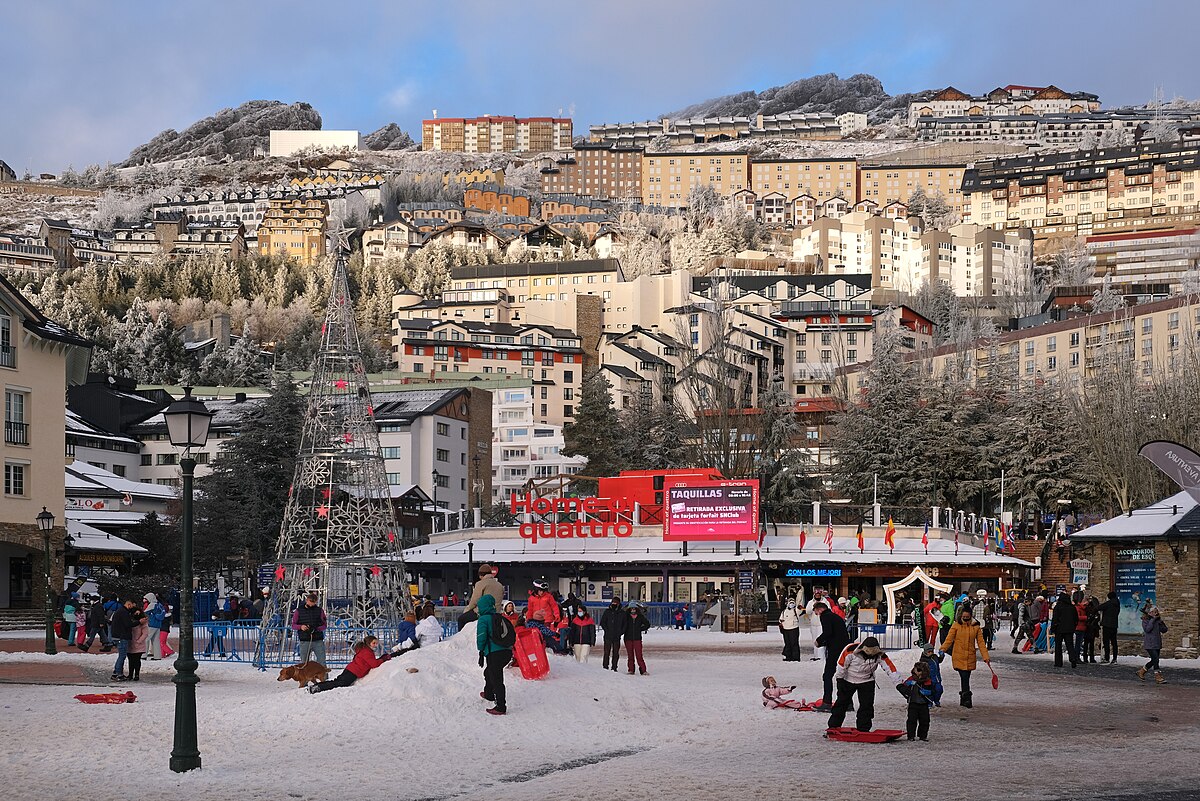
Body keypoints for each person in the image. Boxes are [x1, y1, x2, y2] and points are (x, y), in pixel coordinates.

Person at [826, 636, 901, 732]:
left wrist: (899, 683)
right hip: (848, 680)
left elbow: (890, 669)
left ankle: (863, 728)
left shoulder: (880, 655)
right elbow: (841, 665)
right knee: (841, 704)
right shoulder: (850, 650)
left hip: (867, 681)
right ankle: (833, 726)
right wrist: (840, 681)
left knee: (867, 706)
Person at [308, 635, 405, 694]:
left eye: (376, 643)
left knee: (337, 681)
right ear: (368, 643)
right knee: (340, 683)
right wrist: (383, 659)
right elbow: (374, 664)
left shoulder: (365, 650)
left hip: (351, 669)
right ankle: (319, 688)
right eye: (374, 643)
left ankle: (318, 686)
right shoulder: (367, 652)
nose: (376, 645)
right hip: (354, 672)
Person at [938, 608, 991, 708]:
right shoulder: (956, 625)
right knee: (964, 676)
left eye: (967, 617)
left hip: (970, 656)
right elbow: (949, 640)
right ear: (960, 617)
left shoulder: (976, 627)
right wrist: (942, 650)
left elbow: (981, 643)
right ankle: (966, 698)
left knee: (965, 677)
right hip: (959, 655)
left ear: (971, 616)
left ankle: (964, 697)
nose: (965, 619)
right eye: (964, 617)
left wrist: (986, 656)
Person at [474, 594, 511, 715]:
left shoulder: (484, 619)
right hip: (506, 651)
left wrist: (480, 650)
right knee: (489, 672)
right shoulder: (499, 617)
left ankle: (501, 707)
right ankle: (489, 694)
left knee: (496, 678)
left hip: (494, 653)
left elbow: (481, 637)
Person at [814, 600, 850, 710]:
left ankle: (827, 702)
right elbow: (836, 633)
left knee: (827, 675)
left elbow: (828, 632)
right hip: (844, 649)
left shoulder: (825, 616)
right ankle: (848, 703)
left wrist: (819, 641)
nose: (816, 614)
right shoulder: (835, 616)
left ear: (820, 609)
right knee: (844, 675)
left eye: (816, 612)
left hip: (835, 650)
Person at [897, 661, 936, 741]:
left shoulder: (928, 681)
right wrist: (906, 686)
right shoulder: (911, 679)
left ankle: (923, 736)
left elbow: (934, 690)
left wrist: (929, 692)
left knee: (925, 721)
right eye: (915, 669)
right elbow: (903, 688)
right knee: (911, 720)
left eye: (918, 669)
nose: (915, 671)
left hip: (924, 704)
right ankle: (911, 736)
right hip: (913, 703)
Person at [526, 579, 565, 653]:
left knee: (546, 634)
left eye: (543, 590)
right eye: (540, 590)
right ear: (536, 590)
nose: (542, 592)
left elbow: (554, 606)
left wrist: (557, 615)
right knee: (538, 635)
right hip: (535, 620)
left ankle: (551, 649)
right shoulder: (531, 598)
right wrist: (529, 619)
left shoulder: (548, 596)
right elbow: (530, 609)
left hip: (547, 619)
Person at [291, 592, 328, 666]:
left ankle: (324, 677)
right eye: (310, 601)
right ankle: (305, 677)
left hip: (318, 640)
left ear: (316, 602)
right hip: (304, 640)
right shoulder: (298, 611)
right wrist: (301, 627)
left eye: (313, 602)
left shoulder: (320, 611)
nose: (311, 604)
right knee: (304, 663)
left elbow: (324, 625)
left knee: (322, 661)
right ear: (307, 600)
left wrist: (317, 629)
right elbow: (293, 625)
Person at [1138, 605, 1168, 684]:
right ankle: (1158, 676)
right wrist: (1153, 620)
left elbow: (1164, 630)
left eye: (1156, 612)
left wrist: (1161, 622)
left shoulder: (1158, 620)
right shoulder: (1145, 620)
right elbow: (1147, 629)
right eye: (1153, 612)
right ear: (1149, 613)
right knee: (1155, 659)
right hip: (1150, 643)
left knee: (1154, 660)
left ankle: (1142, 671)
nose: (1155, 613)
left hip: (1157, 642)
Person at [109, 598, 136, 682]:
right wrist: (138, 622)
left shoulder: (120, 611)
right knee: (122, 656)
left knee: (121, 655)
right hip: (122, 636)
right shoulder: (124, 612)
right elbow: (128, 624)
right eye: (132, 606)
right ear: (129, 604)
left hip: (117, 635)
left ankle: (116, 672)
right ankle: (118, 674)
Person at [1051, 593, 1079, 669]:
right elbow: (1076, 619)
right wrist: (1073, 626)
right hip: (1069, 629)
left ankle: (1058, 662)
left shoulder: (1058, 607)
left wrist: (1053, 628)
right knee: (1070, 646)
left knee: (1058, 646)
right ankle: (1073, 659)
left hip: (1059, 629)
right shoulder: (1072, 607)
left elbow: (1055, 618)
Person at [624, 602, 651, 675]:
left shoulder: (640, 617)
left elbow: (647, 624)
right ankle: (631, 670)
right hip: (628, 638)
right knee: (630, 656)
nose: (633, 610)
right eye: (631, 608)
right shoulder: (626, 617)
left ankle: (643, 670)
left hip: (637, 638)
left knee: (639, 655)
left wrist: (640, 629)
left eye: (634, 608)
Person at [600, 597, 625, 672]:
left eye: (616, 602)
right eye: (613, 602)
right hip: (608, 635)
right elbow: (603, 622)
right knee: (606, 652)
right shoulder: (607, 612)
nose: (614, 604)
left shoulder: (622, 613)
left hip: (617, 636)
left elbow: (625, 624)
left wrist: (620, 632)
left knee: (616, 652)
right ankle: (605, 666)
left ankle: (614, 667)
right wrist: (606, 630)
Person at [1096, 591, 1121, 663]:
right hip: (1114, 625)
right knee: (1114, 642)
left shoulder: (1109, 603)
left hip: (1107, 625)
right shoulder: (1117, 603)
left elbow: (1098, 607)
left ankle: (1107, 658)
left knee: (1106, 642)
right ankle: (1115, 658)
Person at [805, 588, 827, 660]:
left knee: (821, 639)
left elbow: (829, 609)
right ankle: (816, 656)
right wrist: (814, 606)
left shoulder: (825, 601)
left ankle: (821, 656)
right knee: (815, 640)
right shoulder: (811, 602)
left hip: (822, 624)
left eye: (819, 594)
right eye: (816, 594)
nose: (817, 595)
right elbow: (807, 611)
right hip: (814, 624)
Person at [128, 610, 149, 681]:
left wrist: (139, 641)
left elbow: (145, 634)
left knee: (136, 660)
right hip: (130, 644)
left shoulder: (143, 624)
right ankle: (130, 674)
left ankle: (137, 675)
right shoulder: (131, 622)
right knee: (130, 660)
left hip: (138, 645)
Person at [143, 592, 165, 660]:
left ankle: (143, 655)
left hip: (152, 624)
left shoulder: (152, 605)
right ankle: (157, 656)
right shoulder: (160, 605)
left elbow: (145, 612)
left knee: (146, 639)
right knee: (156, 641)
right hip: (158, 625)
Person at [1083, 596, 1101, 664]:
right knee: (1091, 644)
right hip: (1092, 628)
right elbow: (1097, 618)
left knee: (1086, 643)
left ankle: (1085, 658)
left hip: (1087, 628)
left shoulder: (1086, 609)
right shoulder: (1094, 610)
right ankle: (1091, 658)